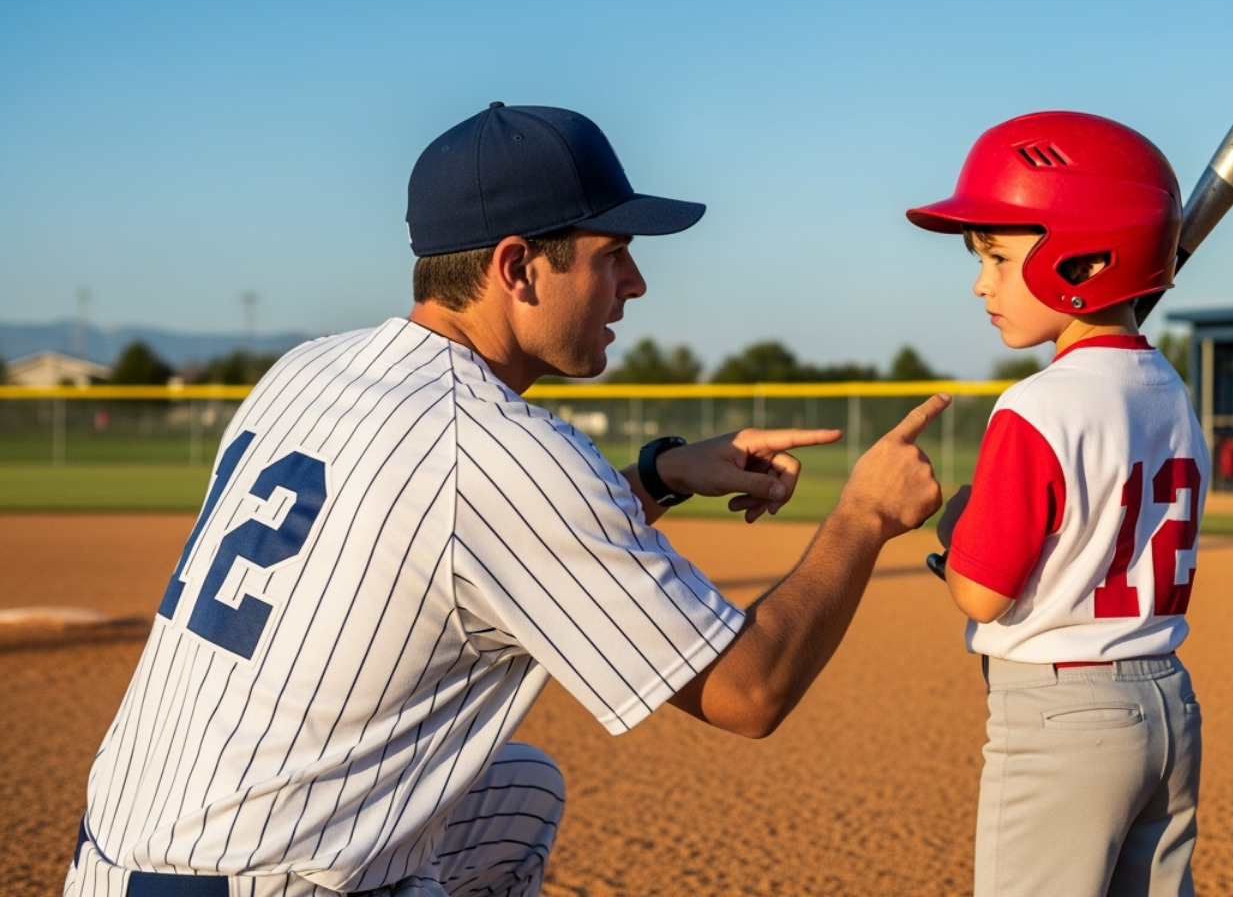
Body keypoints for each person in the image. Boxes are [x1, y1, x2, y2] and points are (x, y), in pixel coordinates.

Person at [66, 102, 948, 897]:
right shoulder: (499, 447)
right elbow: (749, 693)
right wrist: (862, 516)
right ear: (517, 267)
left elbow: (462, 538)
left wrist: (661, 476)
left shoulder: (309, 369)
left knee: (519, 790)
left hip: (123, 851)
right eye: (612, 257)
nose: (634, 285)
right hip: (260, 885)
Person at [908, 111, 1210, 897]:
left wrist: (953, 528)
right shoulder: (1171, 391)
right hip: (1168, 704)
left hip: (1061, 719)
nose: (981, 282)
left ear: (1085, 257)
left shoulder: (1036, 406)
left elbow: (981, 590)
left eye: (999, 257)